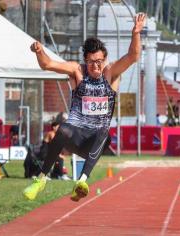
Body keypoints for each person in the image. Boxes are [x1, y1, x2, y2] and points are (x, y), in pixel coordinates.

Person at [23, 13, 146, 201]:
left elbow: (133, 56)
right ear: (85, 61)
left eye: (99, 62)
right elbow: (47, 64)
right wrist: (39, 50)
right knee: (63, 128)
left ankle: (82, 181)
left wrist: (136, 33)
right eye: (90, 62)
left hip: (95, 142)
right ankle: (41, 179)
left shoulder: (110, 73)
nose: (95, 66)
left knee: (104, 130)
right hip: (75, 136)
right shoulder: (77, 71)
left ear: (104, 60)